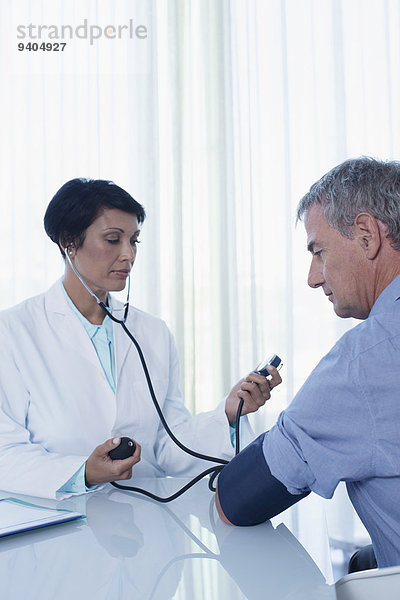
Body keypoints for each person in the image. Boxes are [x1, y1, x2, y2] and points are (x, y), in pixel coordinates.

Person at [0, 178, 282, 500]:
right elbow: (4, 453)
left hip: (143, 524)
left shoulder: (152, 332)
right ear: (69, 242)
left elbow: (168, 445)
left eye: (134, 241)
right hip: (58, 525)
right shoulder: (12, 331)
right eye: (112, 240)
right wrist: (85, 472)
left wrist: (229, 413)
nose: (128, 255)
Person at [216, 157, 400, 570]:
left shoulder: (366, 361)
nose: (313, 277)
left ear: (367, 236)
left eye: (319, 251)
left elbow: (236, 501)